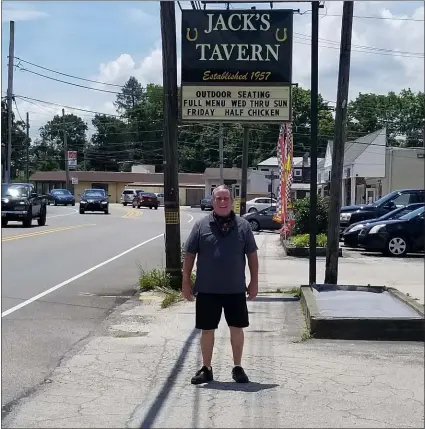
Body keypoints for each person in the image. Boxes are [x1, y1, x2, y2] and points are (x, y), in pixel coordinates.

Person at [182, 185, 259, 385]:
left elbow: (252, 256)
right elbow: (189, 255)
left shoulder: (243, 226)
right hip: (207, 289)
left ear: (232, 201)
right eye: (219, 198)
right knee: (207, 330)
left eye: (226, 198)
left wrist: (254, 282)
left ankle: (237, 367)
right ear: (212, 201)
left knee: (237, 328)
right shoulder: (201, 226)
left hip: (235, 289)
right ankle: (206, 368)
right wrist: (186, 281)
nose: (223, 202)